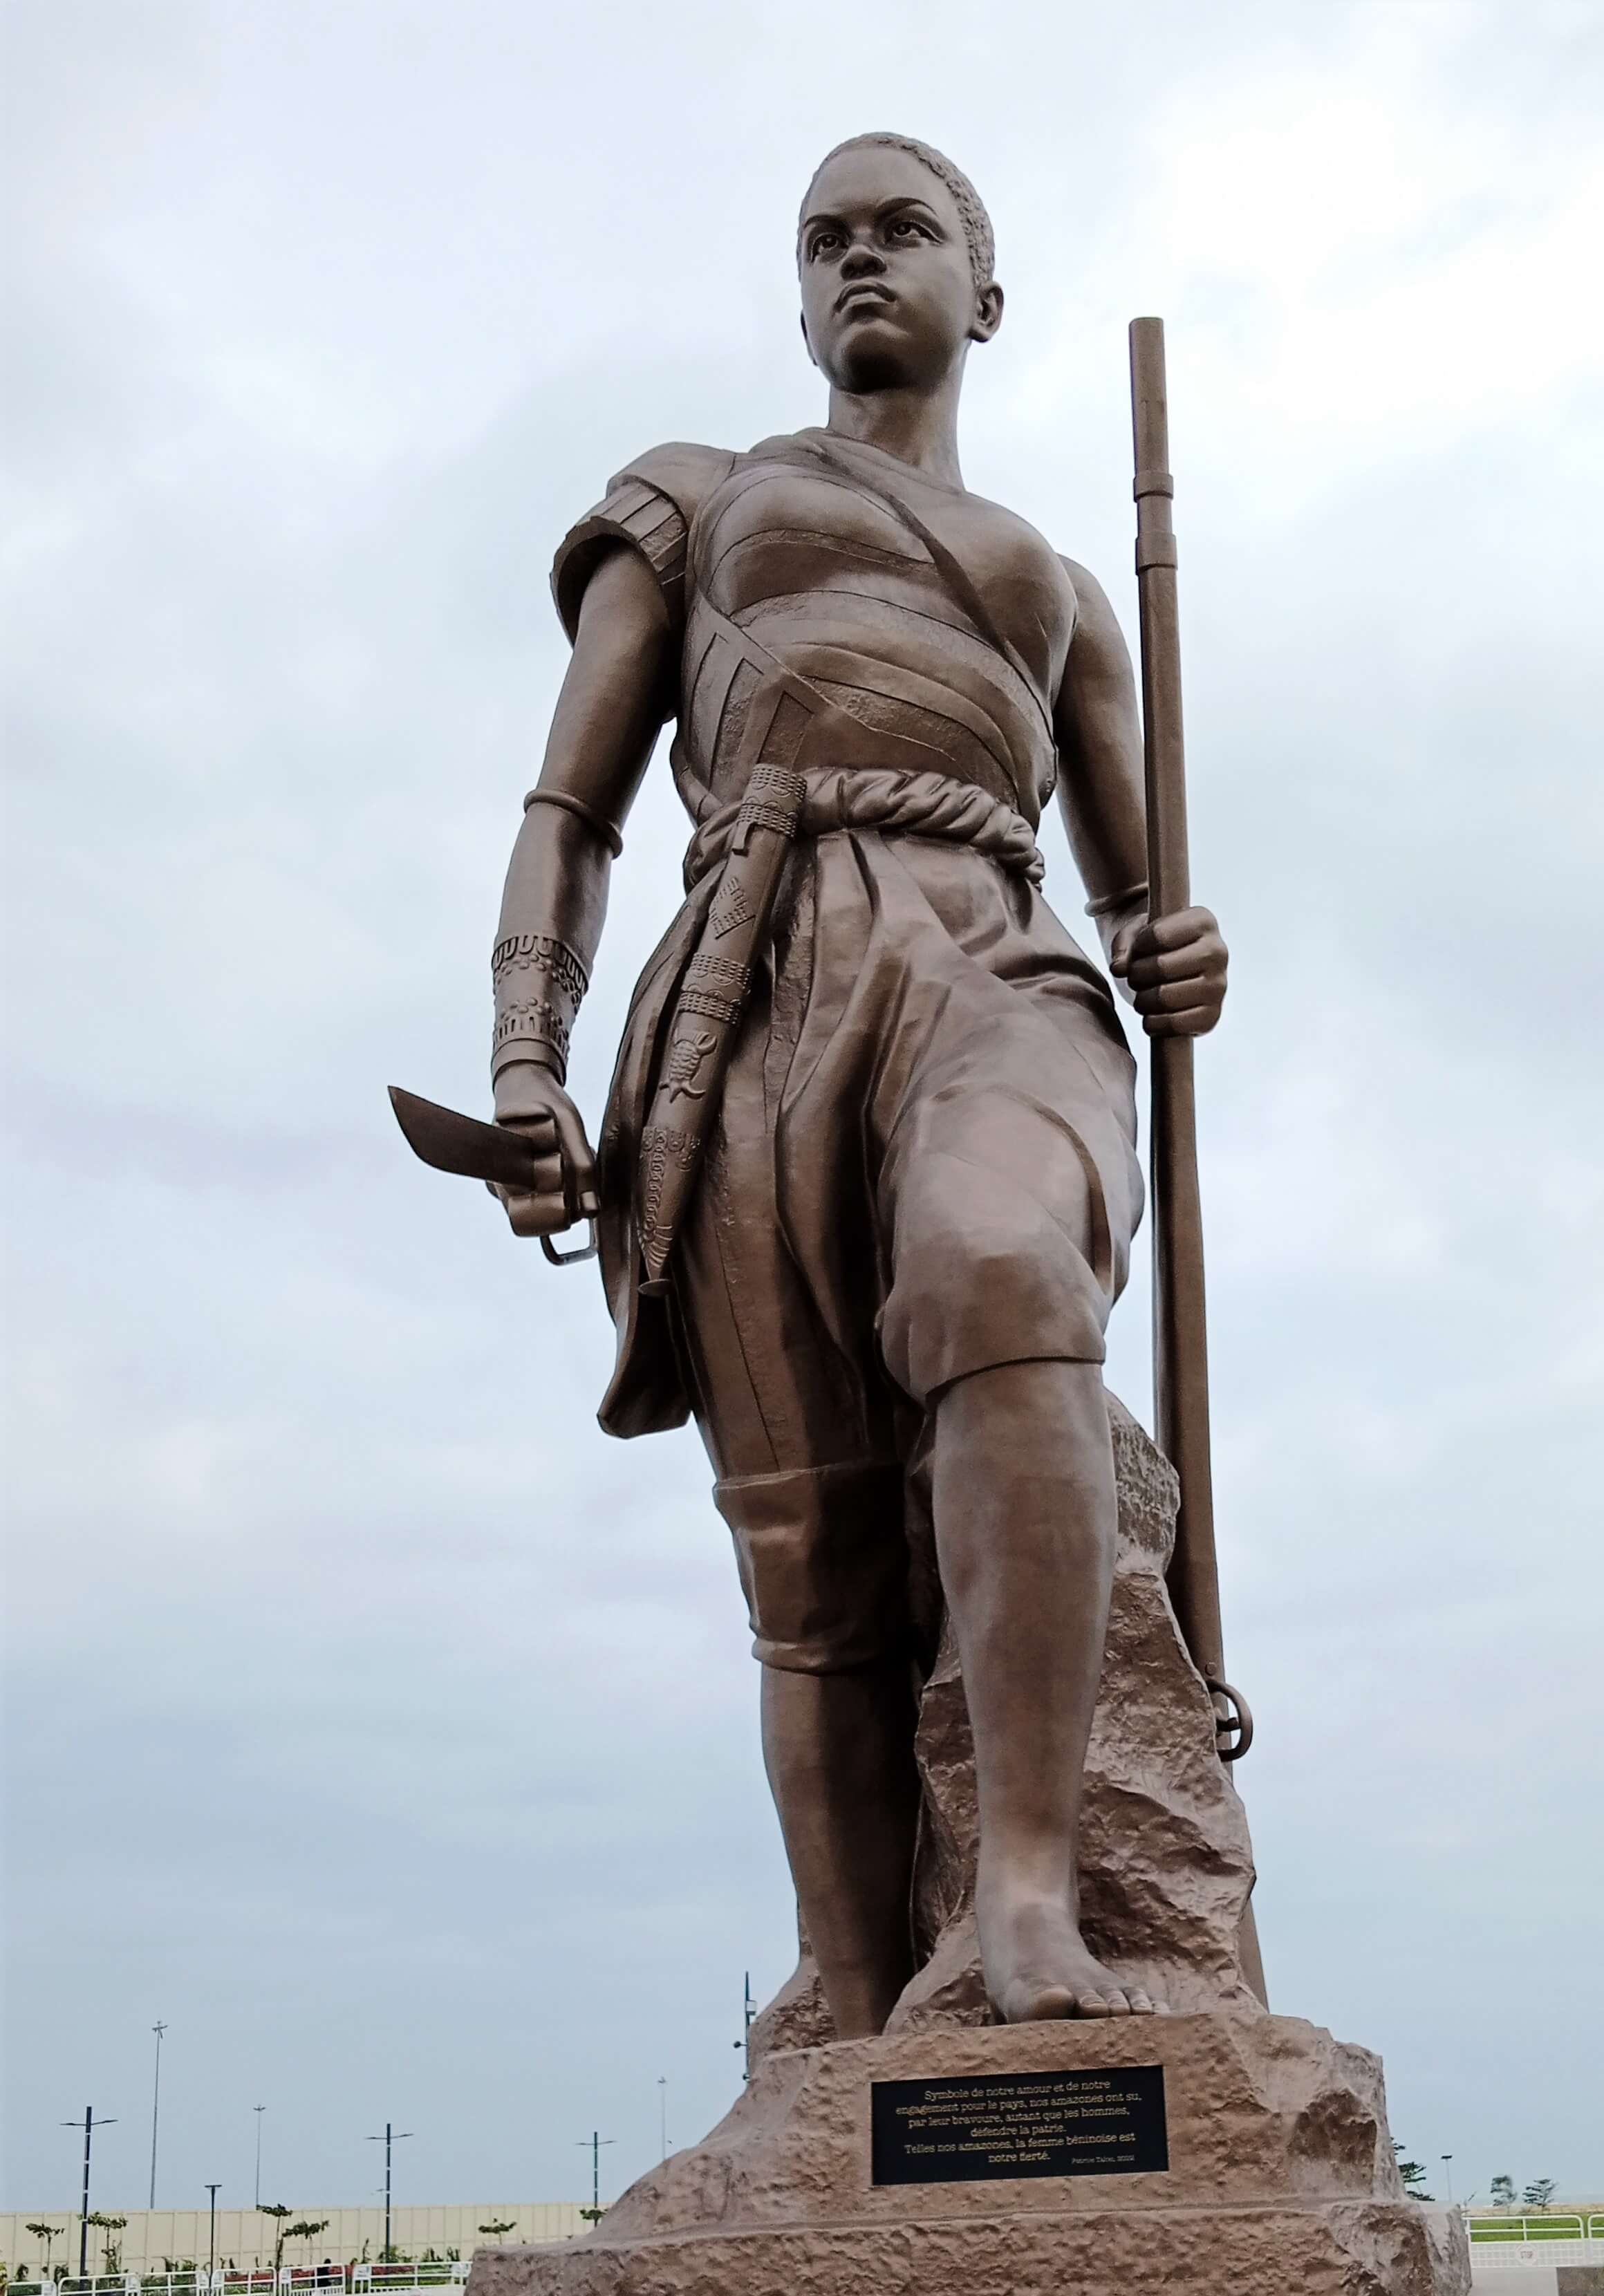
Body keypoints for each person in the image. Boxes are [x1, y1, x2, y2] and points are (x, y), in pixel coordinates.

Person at [485, 133, 1228, 2031]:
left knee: (1003, 1268)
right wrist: (525, 1051)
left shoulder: (1059, 588)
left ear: (986, 294)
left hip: (989, 952)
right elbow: (567, 806)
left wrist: (1180, 948)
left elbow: (1145, 909)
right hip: (752, 968)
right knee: (803, 1522)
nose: (857, 262)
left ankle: (1034, 1899)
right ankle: (842, 1955)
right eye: (824, 240)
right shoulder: (701, 502)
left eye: (903, 231)